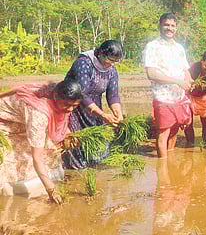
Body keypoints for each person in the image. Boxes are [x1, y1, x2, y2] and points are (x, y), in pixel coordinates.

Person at [0, 79, 82, 203]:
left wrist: (70, 136)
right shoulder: (38, 113)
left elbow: (62, 122)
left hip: (20, 120)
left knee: (49, 150)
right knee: (15, 159)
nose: (70, 109)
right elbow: (36, 158)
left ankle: (43, 180)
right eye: (67, 105)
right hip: (5, 122)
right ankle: (12, 190)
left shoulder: (59, 98)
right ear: (56, 97)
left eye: (74, 106)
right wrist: (52, 191)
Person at [63, 40, 124, 169]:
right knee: (76, 140)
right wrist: (102, 115)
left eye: (114, 61)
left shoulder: (111, 70)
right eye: (109, 60)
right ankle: (75, 170)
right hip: (74, 106)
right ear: (101, 54)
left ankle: (93, 169)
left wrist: (117, 111)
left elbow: (112, 94)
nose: (111, 64)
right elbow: (82, 94)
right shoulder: (84, 63)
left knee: (97, 141)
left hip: (94, 106)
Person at [142, 13, 192, 158]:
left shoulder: (179, 48)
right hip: (163, 96)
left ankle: (170, 161)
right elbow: (151, 73)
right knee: (163, 132)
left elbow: (185, 70)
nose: (169, 28)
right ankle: (162, 168)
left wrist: (189, 82)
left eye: (172, 26)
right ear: (160, 26)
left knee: (175, 129)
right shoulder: (152, 46)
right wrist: (177, 81)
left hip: (179, 96)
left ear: (176, 28)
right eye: (166, 25)